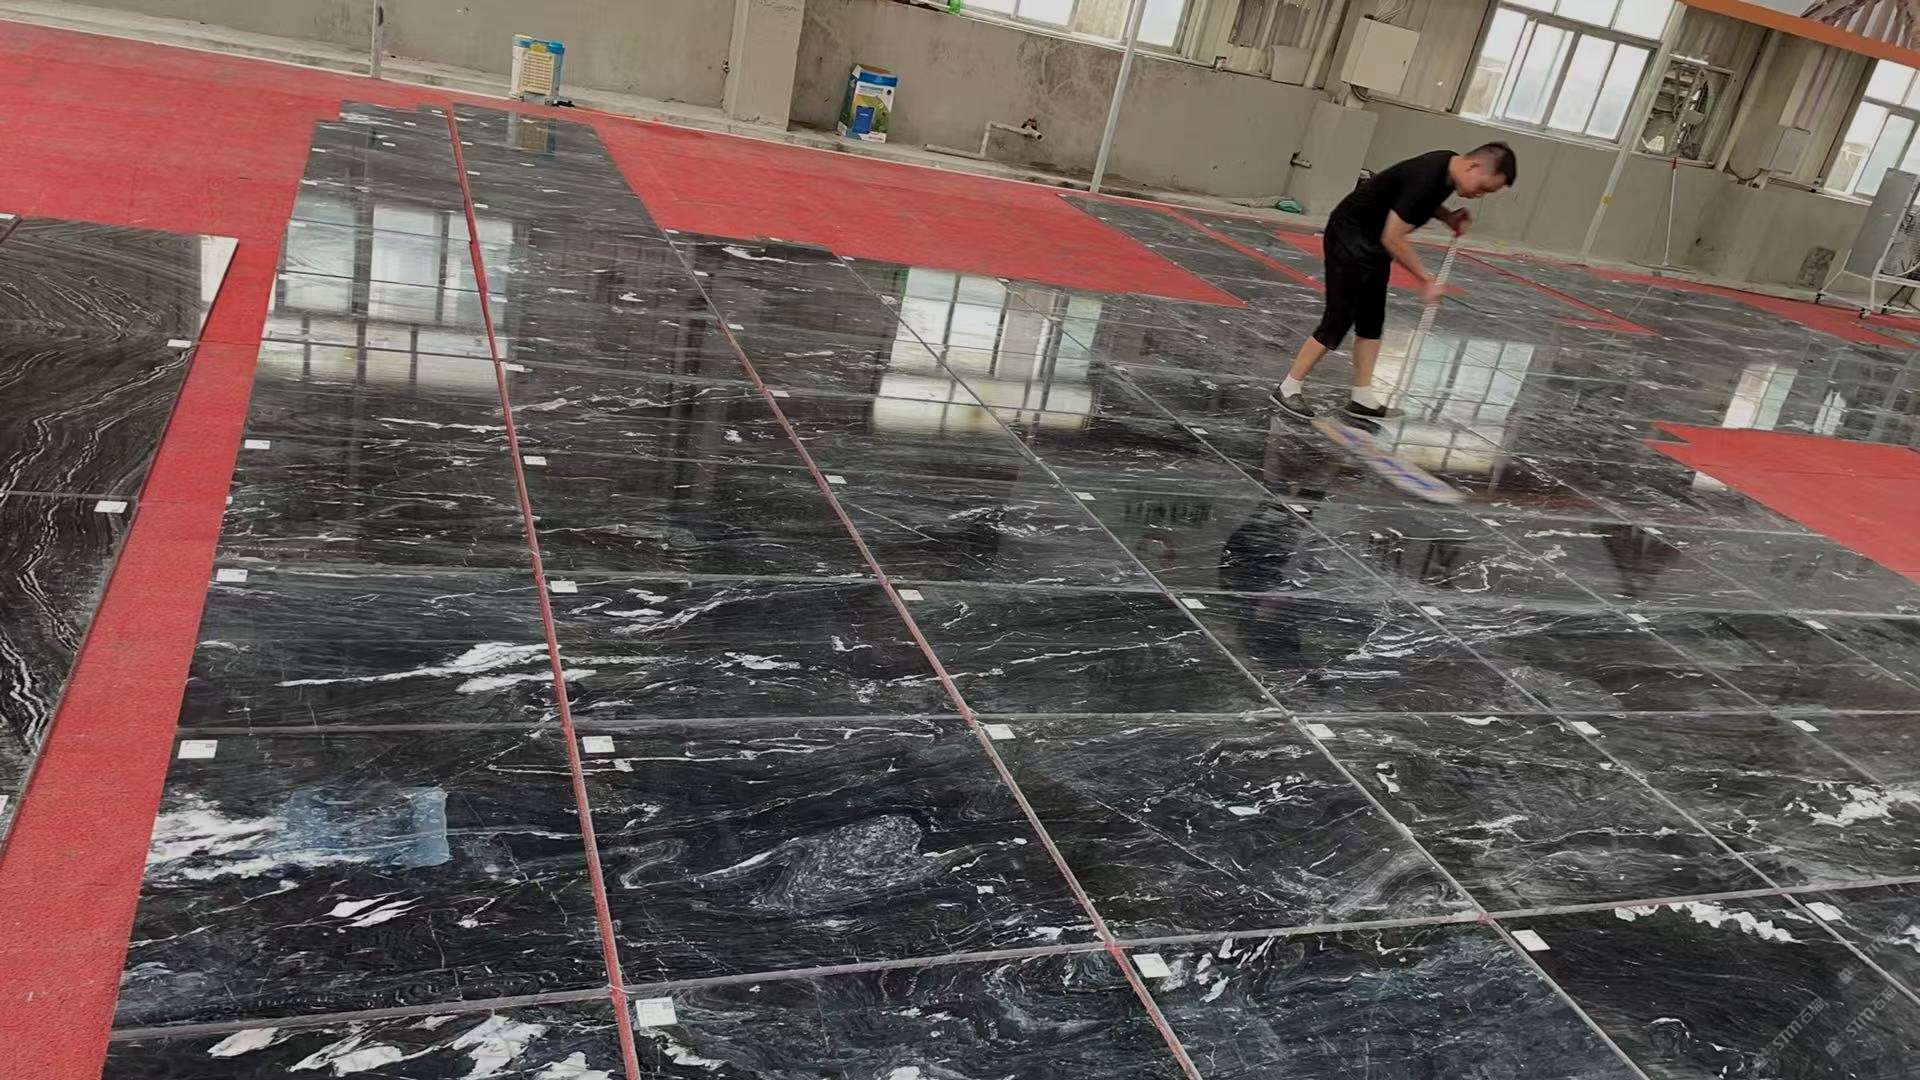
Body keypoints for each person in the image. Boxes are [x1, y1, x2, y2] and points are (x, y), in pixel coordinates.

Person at [1274, 143, 1517, 420]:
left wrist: (1447, 216)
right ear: (1473, 166)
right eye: (1483, 187)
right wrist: (1426, 280)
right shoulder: (1428, 175)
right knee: (1339, 317)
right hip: (1350, 234)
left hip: (1373, 241)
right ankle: (1288, 387)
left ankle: (1362, 397)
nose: (1479, 195)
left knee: (1371, 319)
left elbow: (1411, 199)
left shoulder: (1448, 169)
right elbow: (1393, 237)